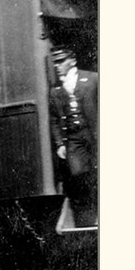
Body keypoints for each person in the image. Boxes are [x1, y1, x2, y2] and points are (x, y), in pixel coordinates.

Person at [47, 46, 99, 226]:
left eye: (61, 62)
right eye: (55, 62)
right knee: (79, 177)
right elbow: (54, 120)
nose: (58, 66)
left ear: (73, 61)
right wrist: (60, 143)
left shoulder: (93, 79)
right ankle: (89, 220)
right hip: (73, 139)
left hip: (94, 134)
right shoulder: (56, 91)